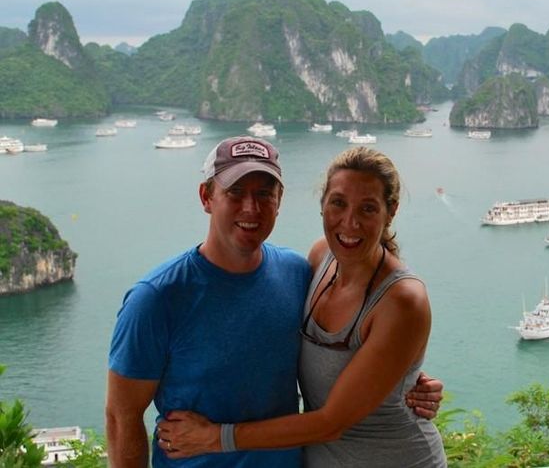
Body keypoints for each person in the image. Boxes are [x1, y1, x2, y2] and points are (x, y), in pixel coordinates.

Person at [106, 137, 443, 468]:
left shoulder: (294, 272)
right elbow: (122, 417)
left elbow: (348, 384)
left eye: (264, 194)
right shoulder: (157, 297)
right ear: (207, 197)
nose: (250, 208)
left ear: (279, 200)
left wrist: (404, 378)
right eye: (235, 192)